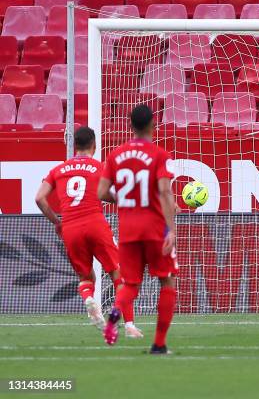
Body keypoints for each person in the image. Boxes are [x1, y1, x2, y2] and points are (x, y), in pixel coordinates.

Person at [35, 126, 142, 338]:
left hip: (70, 227)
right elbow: (107, 194)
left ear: (74, 146)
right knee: (118, 273)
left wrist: (57, 222)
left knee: (86, 276)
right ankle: (129, 325)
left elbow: (39, 198)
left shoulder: (58, 170)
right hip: (94, 222)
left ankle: (88, 300)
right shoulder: (99, 166)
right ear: (94, 145)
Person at [98, 104, 177, 354]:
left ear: (130, 125)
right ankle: (159, 344)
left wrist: (123, 198)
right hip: (154, 229)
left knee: (130, 284)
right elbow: (164, 191)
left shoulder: (115, 155)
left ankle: (113, 315)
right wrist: (171, 229)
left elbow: (101, 192)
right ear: (153, 125)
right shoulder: (159, 155)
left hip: (128, 229)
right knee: (167, 281)